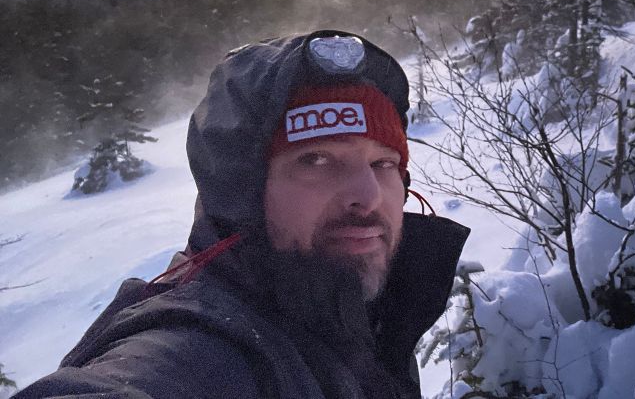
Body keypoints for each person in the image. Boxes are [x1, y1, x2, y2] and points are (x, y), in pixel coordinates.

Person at [15, 30, 470, 399]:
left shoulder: (369, 317)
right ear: (242, 194)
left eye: (383, 164)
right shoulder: (201, 351)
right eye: (315, 160)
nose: (367, 196)